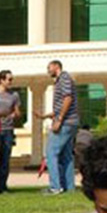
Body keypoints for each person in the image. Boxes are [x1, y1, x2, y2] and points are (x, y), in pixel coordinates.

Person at [36, 59, 79, 195]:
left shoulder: (64, 78)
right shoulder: (62, 80)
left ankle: (55, 187)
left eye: (49, 68)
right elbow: (62, 105)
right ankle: (69, 187)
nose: (48, 71)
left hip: (65, 122)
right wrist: (45, 116)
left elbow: (68, 99)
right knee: (66, 155)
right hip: (70, 122)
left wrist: (59, 119)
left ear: (56, 66)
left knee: (51, 153)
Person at [0, 69, 20, 193]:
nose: (10, 82)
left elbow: (17, 111)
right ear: (1, 80)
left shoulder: (14, 95)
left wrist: (15, 114)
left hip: (8, 130)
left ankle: (3, 186)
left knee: (5, 159)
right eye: (9, 79)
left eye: (11, 79)